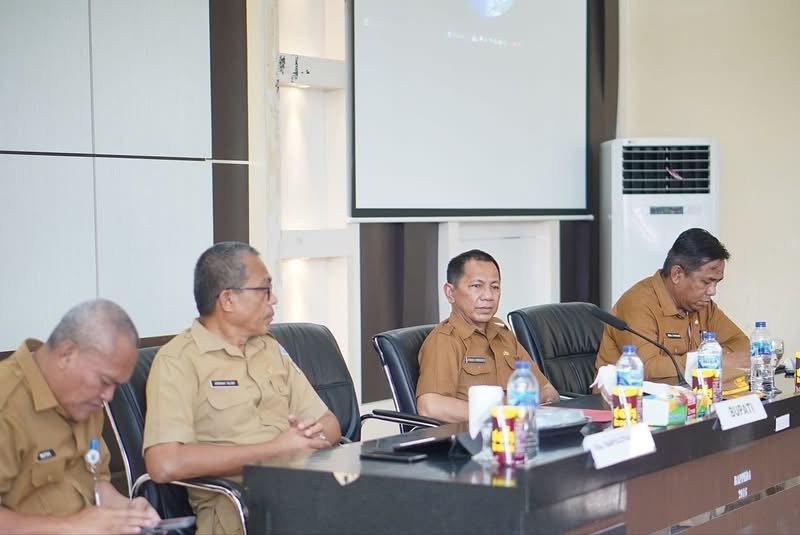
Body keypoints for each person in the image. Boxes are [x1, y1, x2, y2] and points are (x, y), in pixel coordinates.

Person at [143, 241, 341, 535]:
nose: (274, 300)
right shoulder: (178, 361)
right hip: (241, 511)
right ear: (228, 299)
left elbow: (329, 422)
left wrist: (310, 439)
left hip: (306, 494)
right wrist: (275, 450)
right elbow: (164, 463)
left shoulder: (269, 348)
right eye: (265, 290)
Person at [0, 299, 161, 535]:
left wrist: (127, 511)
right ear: (67, 354)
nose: (108, 396)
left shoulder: (86, 401)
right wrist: (72, 527)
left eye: (116, 386)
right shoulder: (7, 404)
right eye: (104, 381)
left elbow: (96, 483)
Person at [416, 249, 560, 423]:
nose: (488, 296)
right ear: (450, 293)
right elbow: (430, 406)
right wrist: (502, 413)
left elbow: (548, 391)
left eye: (495, 287)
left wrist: (519, 408)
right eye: (476, 286)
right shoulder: (445, 340)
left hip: (520, 430)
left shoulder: (503, 334)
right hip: (474, 436)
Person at [595, 228, 750, 385]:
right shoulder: (637, 304)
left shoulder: (703, 306)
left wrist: (718, 358)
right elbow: (646, 369)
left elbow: (741, 343)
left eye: (716, 283)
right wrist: (709, 361)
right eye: (705, 282)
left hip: (686, 395)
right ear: (677, 274)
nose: (712, 291)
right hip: (628, 398)